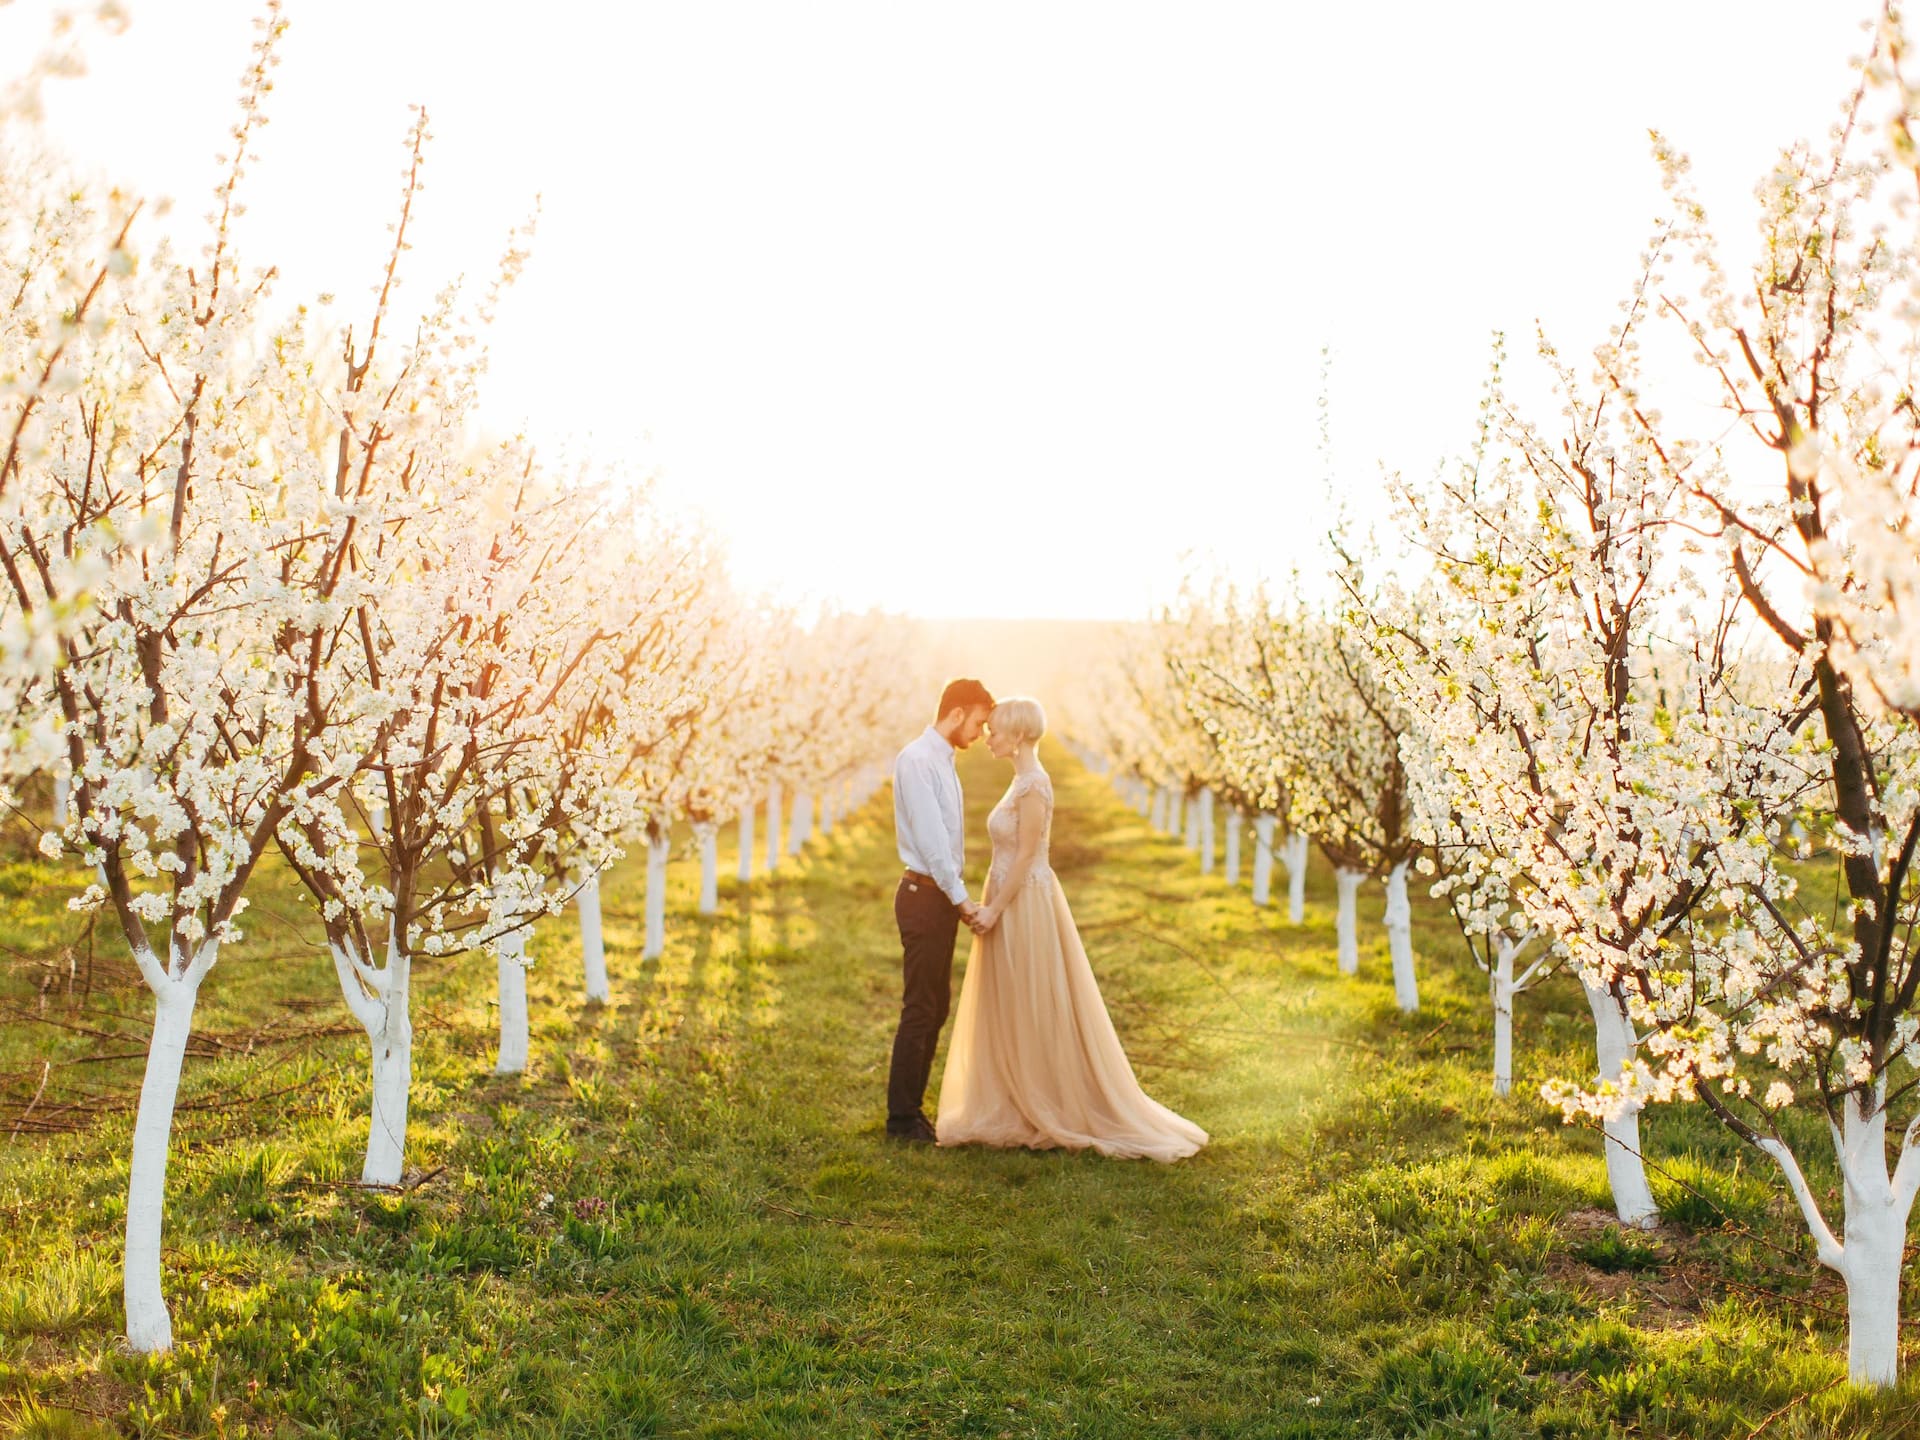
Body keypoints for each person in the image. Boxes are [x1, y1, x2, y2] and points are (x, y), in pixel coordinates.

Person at [936, 696, 1207, 1161]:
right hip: (1008, 896)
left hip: (1023, 904)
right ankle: (1013, 1093)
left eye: (996, 730)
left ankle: (1047, 1100)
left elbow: (1025, 856)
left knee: (1034, 996)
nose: (988, 736)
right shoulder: (1019, 781)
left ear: (1018, 736)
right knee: (1011, 997)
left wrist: (995, 909)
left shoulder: (1035, 785)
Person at [886, 677, 995, 1142]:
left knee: (937, 1006)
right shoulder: (917, 760)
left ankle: (912, 1110)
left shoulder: (943, 760)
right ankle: (902, 1119)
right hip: (924, 897)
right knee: (922, 1007)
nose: (981, 733)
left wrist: (956, 897)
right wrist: (962, 900)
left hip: (938, 898)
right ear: (956, 713)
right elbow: (933, 844)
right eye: (978, 722)